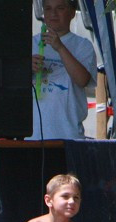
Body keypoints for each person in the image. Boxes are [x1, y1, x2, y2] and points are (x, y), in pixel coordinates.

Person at [29, 0, 96, 140]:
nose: (53, 14)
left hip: (68, 136)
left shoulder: (83, 45)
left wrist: (60, 47)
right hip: (32, 137)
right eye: (48, 8)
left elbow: (82, 80)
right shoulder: (31, 43)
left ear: (72, 13)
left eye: (60, 8)